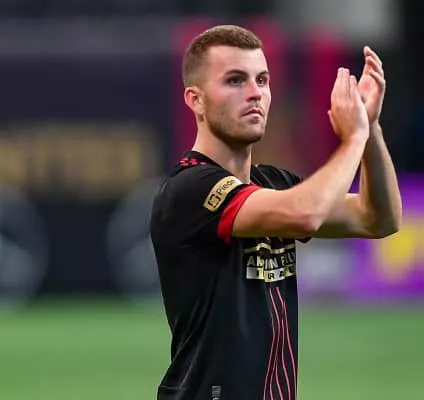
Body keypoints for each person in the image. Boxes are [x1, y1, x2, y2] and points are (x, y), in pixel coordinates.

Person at [150, 24, 402, 400]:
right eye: (235, 80)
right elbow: (306, 215)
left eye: (262, 80)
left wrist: (371, 130)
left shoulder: (273, 184)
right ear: (195, 100)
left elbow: (377, 218)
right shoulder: (189, 189)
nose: (255, 93)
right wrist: (353, 138)